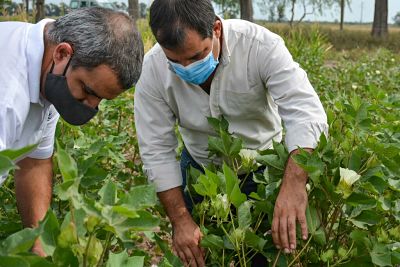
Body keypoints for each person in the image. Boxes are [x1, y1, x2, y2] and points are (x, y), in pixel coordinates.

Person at [134, 0, 328, 266]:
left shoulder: (259, 46)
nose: (187, 68)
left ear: (215, 29)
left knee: (263, 256)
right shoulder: (153, 68)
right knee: (206, 256)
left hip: (263, 171)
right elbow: (156, 149)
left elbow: (305, 113)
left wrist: (293, 184)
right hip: (202, 172)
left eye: (196, 56)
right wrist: (180, 220)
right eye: (175, 61)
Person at [0, 7, 143, 256]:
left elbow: (33, 161)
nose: (90, 106)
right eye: (88, 91)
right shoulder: (8, 96)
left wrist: (39, 248)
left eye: (100, 100)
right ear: (63, 53)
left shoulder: (49, 73)